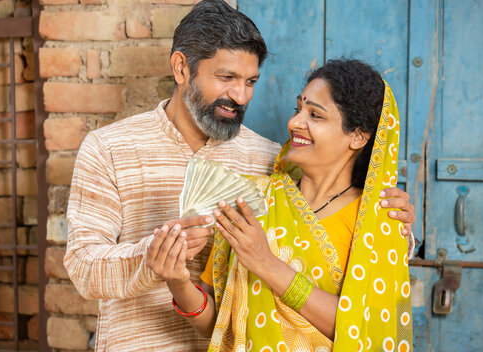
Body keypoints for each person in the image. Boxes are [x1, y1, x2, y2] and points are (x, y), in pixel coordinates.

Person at [65, 0, 415, 351]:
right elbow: (82, 267)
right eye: (226, 77)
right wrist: (155, 258)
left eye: (250, 81)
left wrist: (394, 225)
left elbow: (334, 232)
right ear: (181, 68)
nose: (241, 95)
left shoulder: (270, 162)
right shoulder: (109, 149)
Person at [149, 59, 413, 352]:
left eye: (315, 115)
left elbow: (367, 329)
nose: (295, 122)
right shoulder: (252, 200)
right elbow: (220, 324)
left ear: (358, 136)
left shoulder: (380, 218)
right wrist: (179, 283)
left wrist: (267, 265)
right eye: (298, 109)